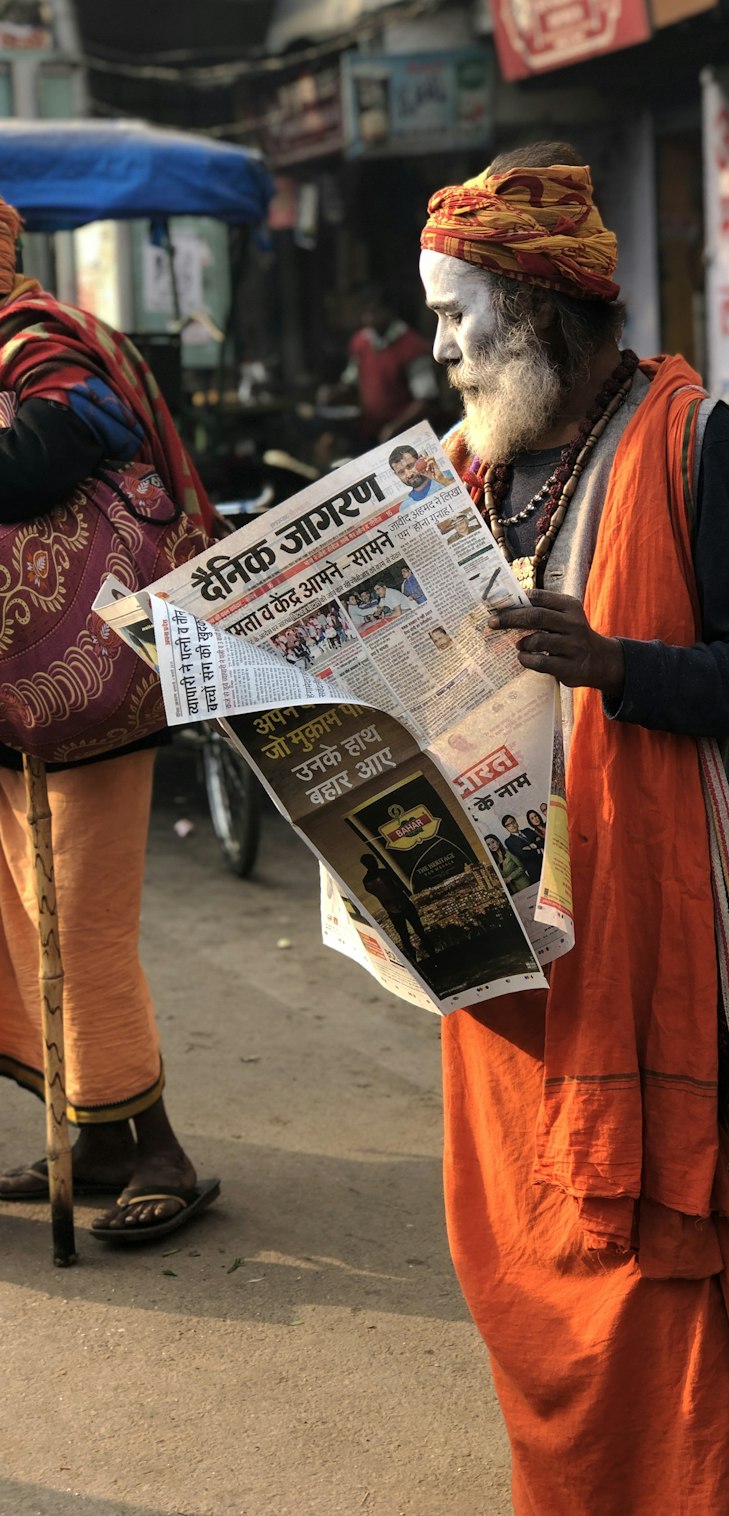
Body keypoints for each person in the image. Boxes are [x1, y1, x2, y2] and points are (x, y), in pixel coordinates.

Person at [418, 145, 729, 1512]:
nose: (441, 354)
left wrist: (614, 666)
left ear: (538, 316)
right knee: (514, 1261)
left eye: (457, 321)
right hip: (509, 950)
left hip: (647, 952)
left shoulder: (699, 444)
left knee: (644, 1274)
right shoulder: (478, 471)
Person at [0, 194, 220, 1242]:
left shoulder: (36, 339)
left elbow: (52, 451)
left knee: (82, 925)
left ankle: (161, 1151)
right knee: (36, 915)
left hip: (84, 687)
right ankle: (96, 1132)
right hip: (19, 688)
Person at [339, 286, 439, 445]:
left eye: (374, 312)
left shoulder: (412, 347)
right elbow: (351, 380)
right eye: (364, 313)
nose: (368, 319)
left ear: (389, 311)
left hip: (403, 437)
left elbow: (426, 399)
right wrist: (335, 393)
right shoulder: (360, 342)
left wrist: (395, 427)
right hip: (368, 432)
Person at [358, 852, 434, 964]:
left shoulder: (366, 881)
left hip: (391, 910)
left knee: (404, 937)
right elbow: (398, 886)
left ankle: (413, 962)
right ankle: (432, 954)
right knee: (419, 930)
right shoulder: (384, 873)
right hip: (403, 903)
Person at [388, 444, 451, 508]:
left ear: (420, 459)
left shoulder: (450, 475)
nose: (409, 475)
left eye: (410, 466)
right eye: (401, 472)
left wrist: (443, 480)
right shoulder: (405, 507)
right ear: (397, 475)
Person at [500, 812, 544, 885]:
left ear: (516, 822)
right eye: (508, 825)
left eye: (513, 822)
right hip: (535, 870)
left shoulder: (528, 831)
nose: (512, 825)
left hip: (547, 862)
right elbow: (524, 855)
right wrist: (539, 850)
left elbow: (543, 842)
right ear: (506, 828)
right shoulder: (509, 841)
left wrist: (531, 846)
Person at [484, 831, 531, 895]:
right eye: (488, 844)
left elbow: (522, 866)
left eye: (493, 842)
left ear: (498, 842)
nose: (492, 846)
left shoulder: (509, 853)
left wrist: (510, 877)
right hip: (514, 889)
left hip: (524, 884)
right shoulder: (495, 860)